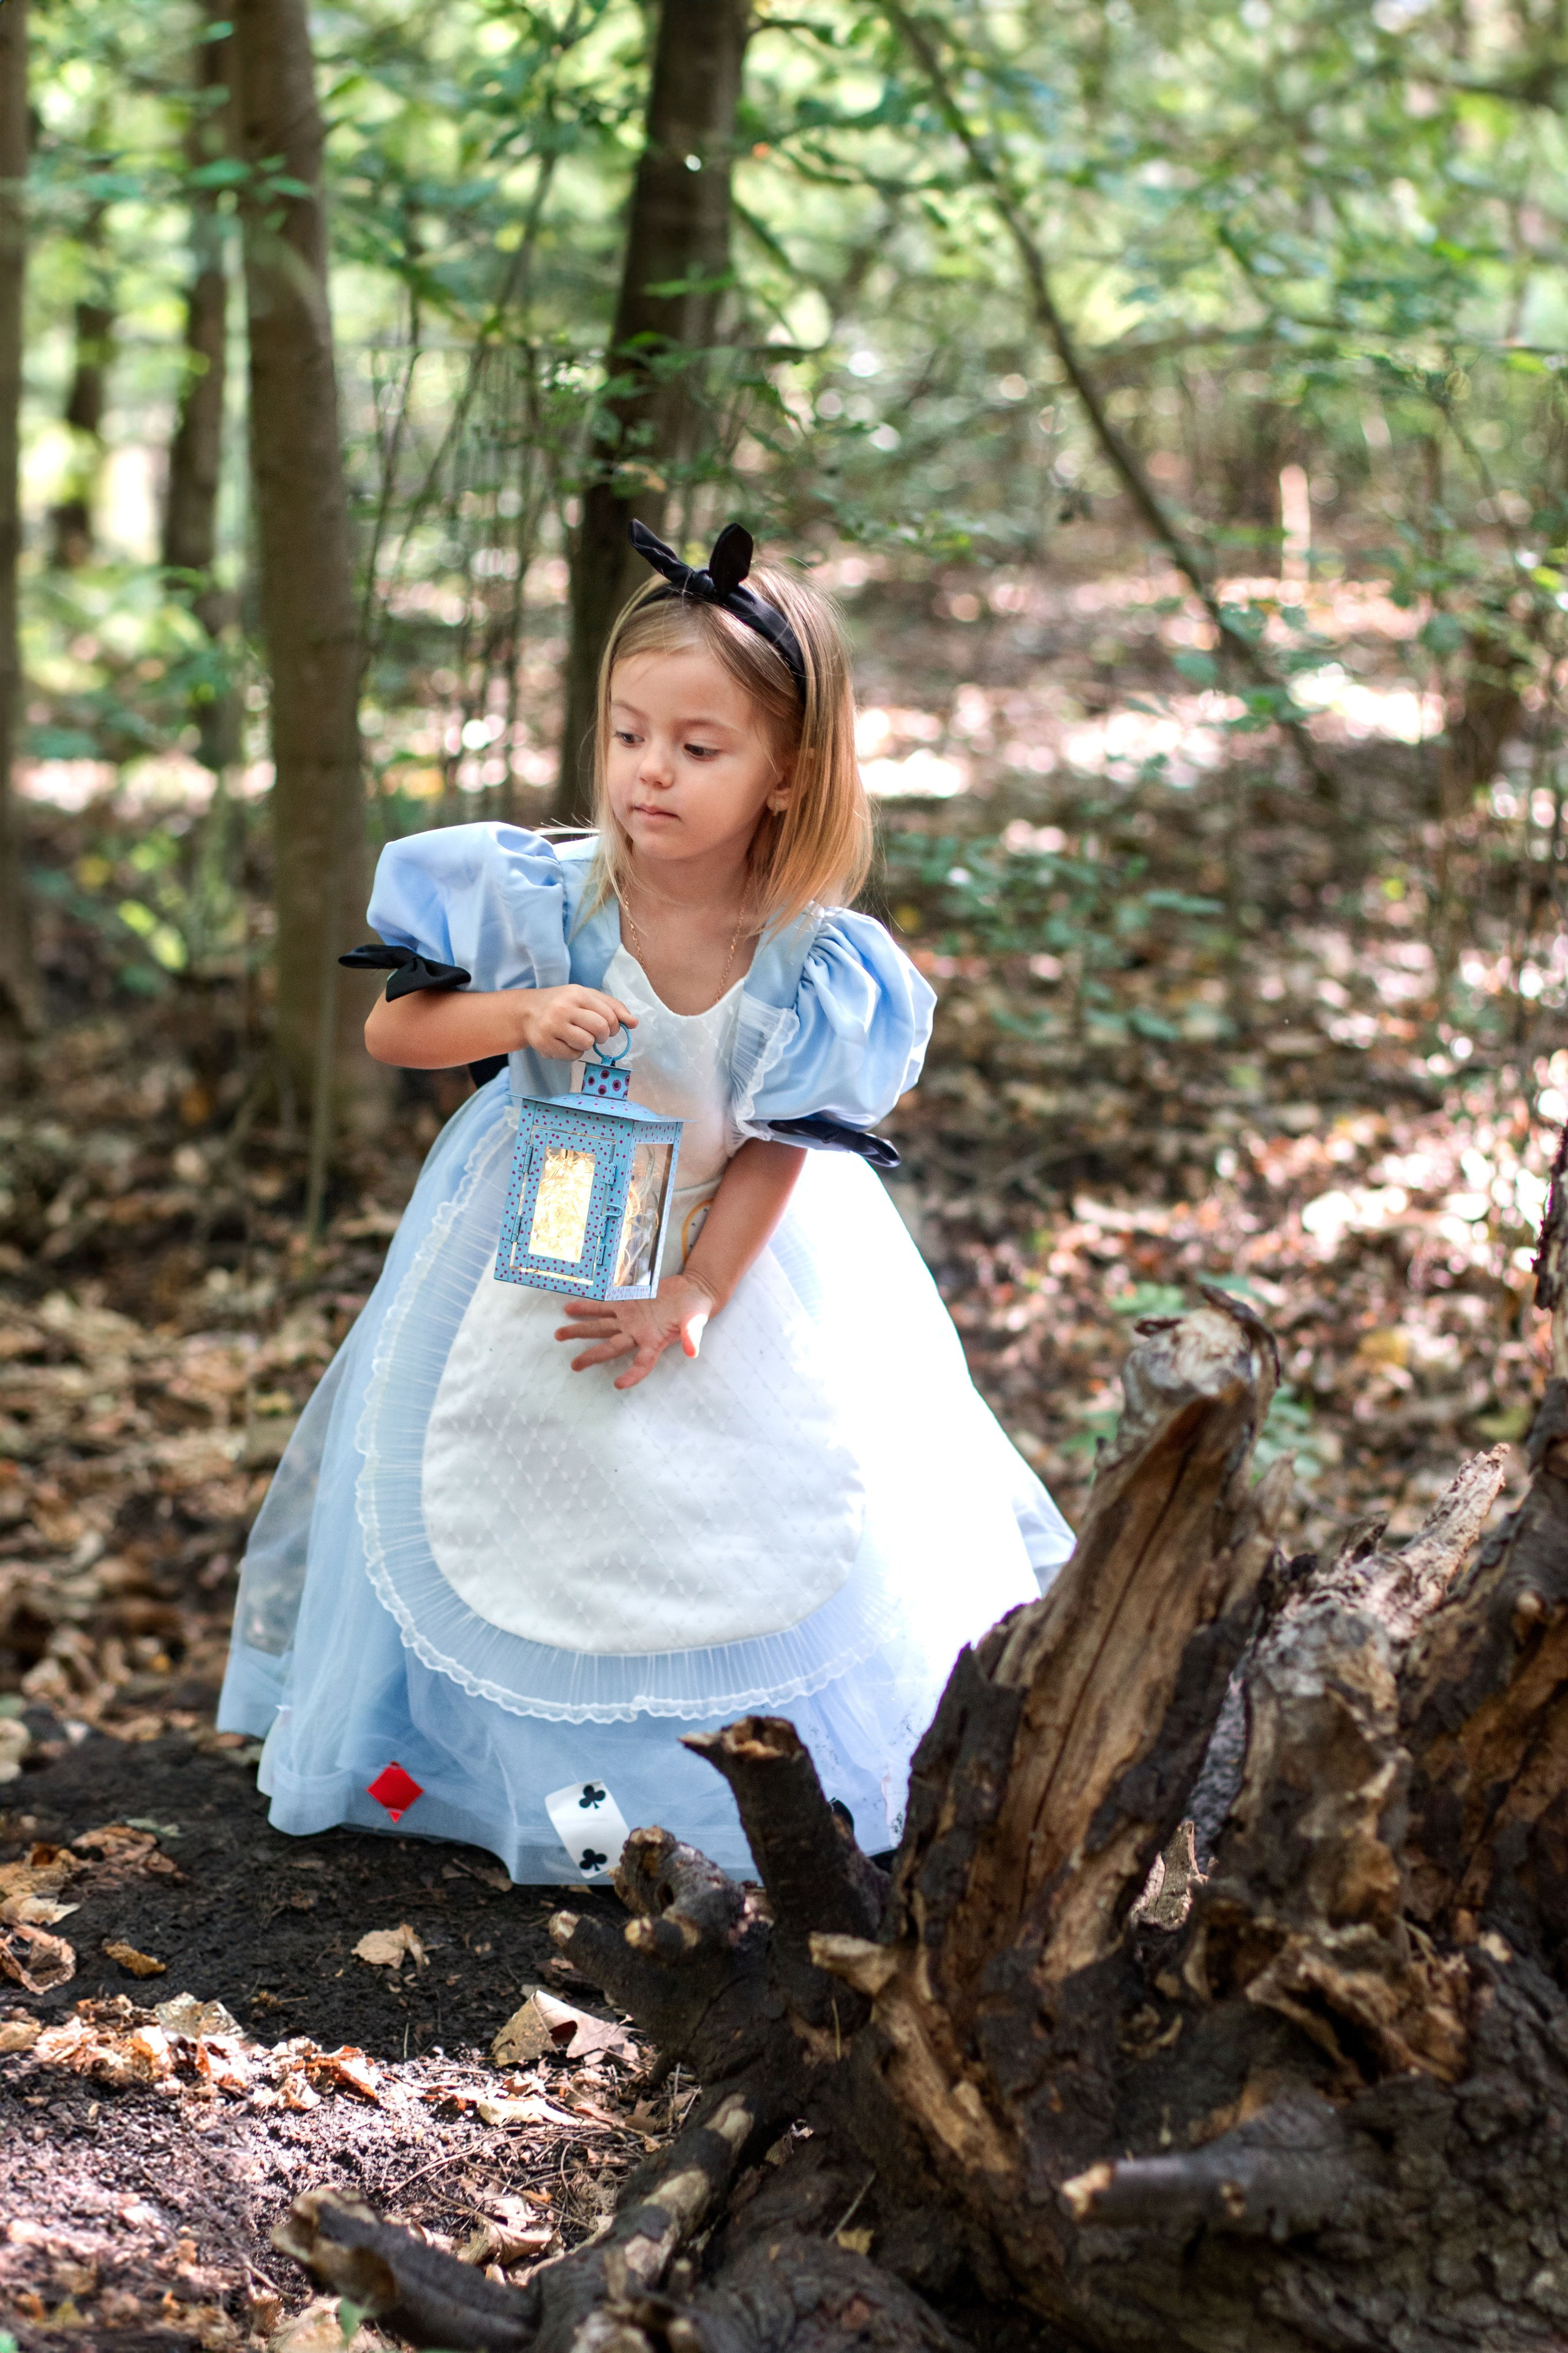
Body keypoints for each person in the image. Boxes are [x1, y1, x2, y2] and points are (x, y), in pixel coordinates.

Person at [217, 523, 1074, 1881]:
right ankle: (536, 1803)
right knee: (520, 1506)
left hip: (734, 1256)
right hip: (538, 1246)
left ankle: (725, 1812)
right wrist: (516, 1014)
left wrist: (696, 1290)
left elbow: (780, 1148)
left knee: (737, 1519)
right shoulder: (540, 893)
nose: (649, 771)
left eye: (697, 746)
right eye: (627, 735)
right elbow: (394, 1031)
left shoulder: (811, 957)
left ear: (789, 774)